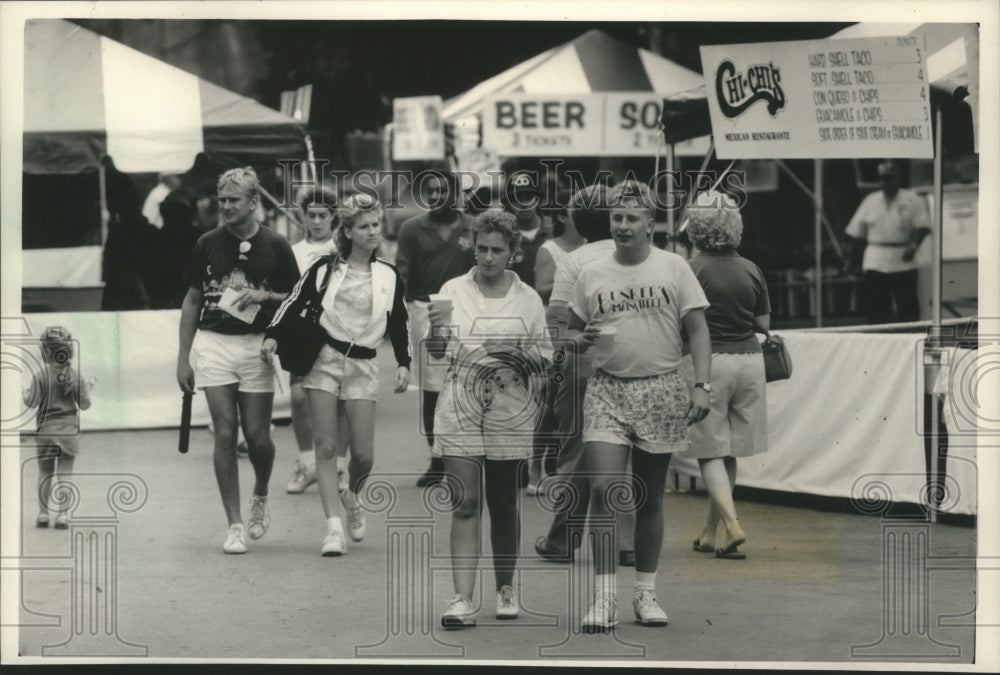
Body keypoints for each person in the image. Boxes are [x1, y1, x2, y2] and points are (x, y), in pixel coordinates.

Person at [568, 180, 711, 632]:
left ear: (651, 223)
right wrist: (579, 340)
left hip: (662, 385)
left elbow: (699, 329)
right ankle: (604, 598)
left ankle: (645, 594)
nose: (623, 225)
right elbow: (569, 334)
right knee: (603, 490)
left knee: (649, 496)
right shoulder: (591, 273)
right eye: (617, 218)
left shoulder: (675, 267)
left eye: (632, 218)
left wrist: (702, 385)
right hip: (608, 388)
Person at [263, 192, 411, 556]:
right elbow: (292, 302)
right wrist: (271, 336)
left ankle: (353, 495)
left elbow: (400, 321)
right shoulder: (324, 268)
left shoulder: (388, 275)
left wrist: (405, 362)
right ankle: (332, 528)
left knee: (363, 454)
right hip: (324, 360)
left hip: (363, 365)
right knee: (326, 446)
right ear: (347, 231)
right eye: (364, 226)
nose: (373, 232)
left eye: (376, 225)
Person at [427, 208, 552, 628]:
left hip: (510, 401)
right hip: (461, 397)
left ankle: (505, 586)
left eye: (498, 249)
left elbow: (545, 358)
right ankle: (462, 598)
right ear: (472, 246)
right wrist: (438, 332)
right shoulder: (452, 289)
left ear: (513, 252)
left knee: (502, 501)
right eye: (481, 248)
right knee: (465, 501)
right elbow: (437, 353)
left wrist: (516, 355)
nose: (488, 257)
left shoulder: (528, 298)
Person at [176, 167, 301, 554]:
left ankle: (260, 494)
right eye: (222, 200)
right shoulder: (206, 243)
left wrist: (266, 298)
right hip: (214, 344)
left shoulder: (277, 245)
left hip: (256, 345)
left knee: (258, 437)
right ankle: (233, 524)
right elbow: (193, 300)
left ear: (253, 202)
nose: (226, 207)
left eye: (234, 200)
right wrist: (184, 358)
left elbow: (297, 298)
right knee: (225, 431)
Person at [533, 184, 637, 568]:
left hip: (583, 360)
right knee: (622, 451)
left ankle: (563, 537)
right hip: (632, 359)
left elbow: (557, 318)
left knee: (577, 453)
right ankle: (626, 540)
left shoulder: (574, 261)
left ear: (577, 220)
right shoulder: (637, 254)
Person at [677, 191, 771, 561]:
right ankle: (710, 531)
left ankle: (732, 525)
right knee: (727, 450)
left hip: (707, 363)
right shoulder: (751, 267)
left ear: (695, 227)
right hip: (750, 360)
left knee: (707, 450)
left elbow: (680, 323)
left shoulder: (691, 269)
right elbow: (763, 322)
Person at [395, 171, 476, 487]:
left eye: (443, 190)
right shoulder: (412, 228)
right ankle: (437, 458)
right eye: (430, 191)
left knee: (470, 381)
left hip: (467, 308)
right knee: (433, 388)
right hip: (426, 309)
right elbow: (402, 271)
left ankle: (471, 454)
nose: (436, 196)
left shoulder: (473, 226)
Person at [525, 186, 589, 494]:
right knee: (550, 402)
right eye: (576, 212)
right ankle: (535, 467)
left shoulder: (592, 245)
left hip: (584, 327)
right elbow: (541, 288)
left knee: (575, 403)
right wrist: (576, 279)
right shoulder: (549, 249)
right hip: (555, 327)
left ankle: (567, 470)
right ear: (563, 216)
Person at [283, 185, 339, 495]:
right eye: (311, 215)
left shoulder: (343, 250)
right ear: (303, 217)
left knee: (339, 399)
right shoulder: (293, 253)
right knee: (298, 396)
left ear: (333, 218)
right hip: (302, 331)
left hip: (338, 330)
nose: (317, 221)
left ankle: (338, 467)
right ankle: (307, 464)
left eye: (323, 215)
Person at [23, 326, 93, 529]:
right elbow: (85, 405)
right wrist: (86, 389)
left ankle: (43, 513)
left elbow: (33, 402)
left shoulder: (40, 376)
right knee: (65, 474)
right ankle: (63, 515)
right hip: (68, 432)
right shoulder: (75, 375)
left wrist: (25, 394)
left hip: (45, 431)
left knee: (45, 473)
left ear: (45, 352)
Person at [845, 160, 931, 324]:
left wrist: (914, 246)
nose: (887, 183)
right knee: (876, 309)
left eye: (891, 178)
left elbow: (923, 226)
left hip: (903, 259)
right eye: (883, 179)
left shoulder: (911, 199)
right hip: (876, 260)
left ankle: (911, 341)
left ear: (898, 179)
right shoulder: (871, 201)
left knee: (908, 308)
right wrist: (850, 261)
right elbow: (856, 233)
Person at [501, 172, 550, 290]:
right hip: (515, 304)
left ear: (539, 201)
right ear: (509, 204)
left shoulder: (556, 228)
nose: (524, 204)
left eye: (528, 197)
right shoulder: (503, 234)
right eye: (517, 199)